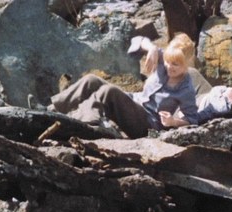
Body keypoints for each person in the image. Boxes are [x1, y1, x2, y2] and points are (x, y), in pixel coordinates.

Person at [49, 33, 200, 138]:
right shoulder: (165, 58)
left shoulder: (186, 90)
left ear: (186, 65)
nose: (169, 66)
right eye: (168, 61)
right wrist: (152, 48)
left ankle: (83, 124)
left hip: (147, 123)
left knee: (109, 91)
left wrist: (173, 122)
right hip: (134, 102)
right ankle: (51, 109)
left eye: (175, 64)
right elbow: (138, 39)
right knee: (91, 80)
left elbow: (192, 119)